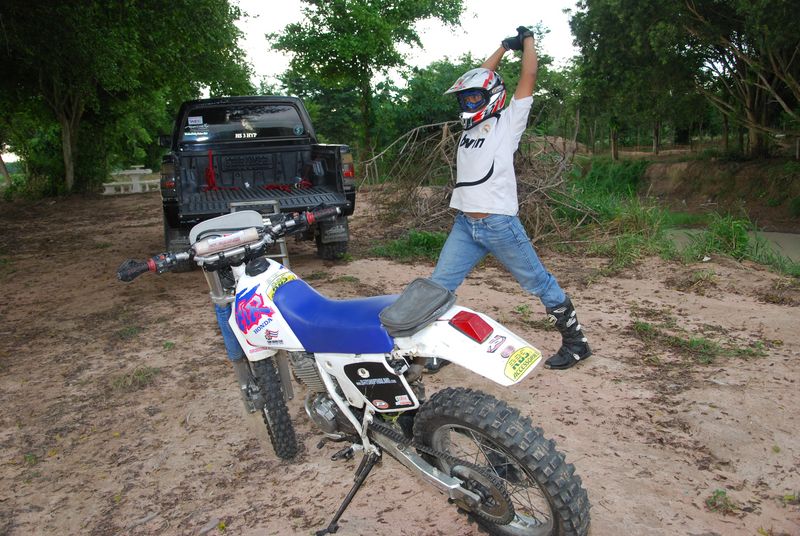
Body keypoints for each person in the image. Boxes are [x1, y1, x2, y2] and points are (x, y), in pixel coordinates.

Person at [426, 26, 592, 372]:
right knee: (440, 286)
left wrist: (527, 40)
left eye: (475, 99)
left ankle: (577, 344)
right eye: (465, 99)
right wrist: (502, 46)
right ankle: (440, 347)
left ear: (492, 97)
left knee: (538, 282)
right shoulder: (470, 126)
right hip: (465, 225)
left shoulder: (508, 122)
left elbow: (528, 76)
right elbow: (478, 78)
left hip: (498, 223)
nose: (469, 103)